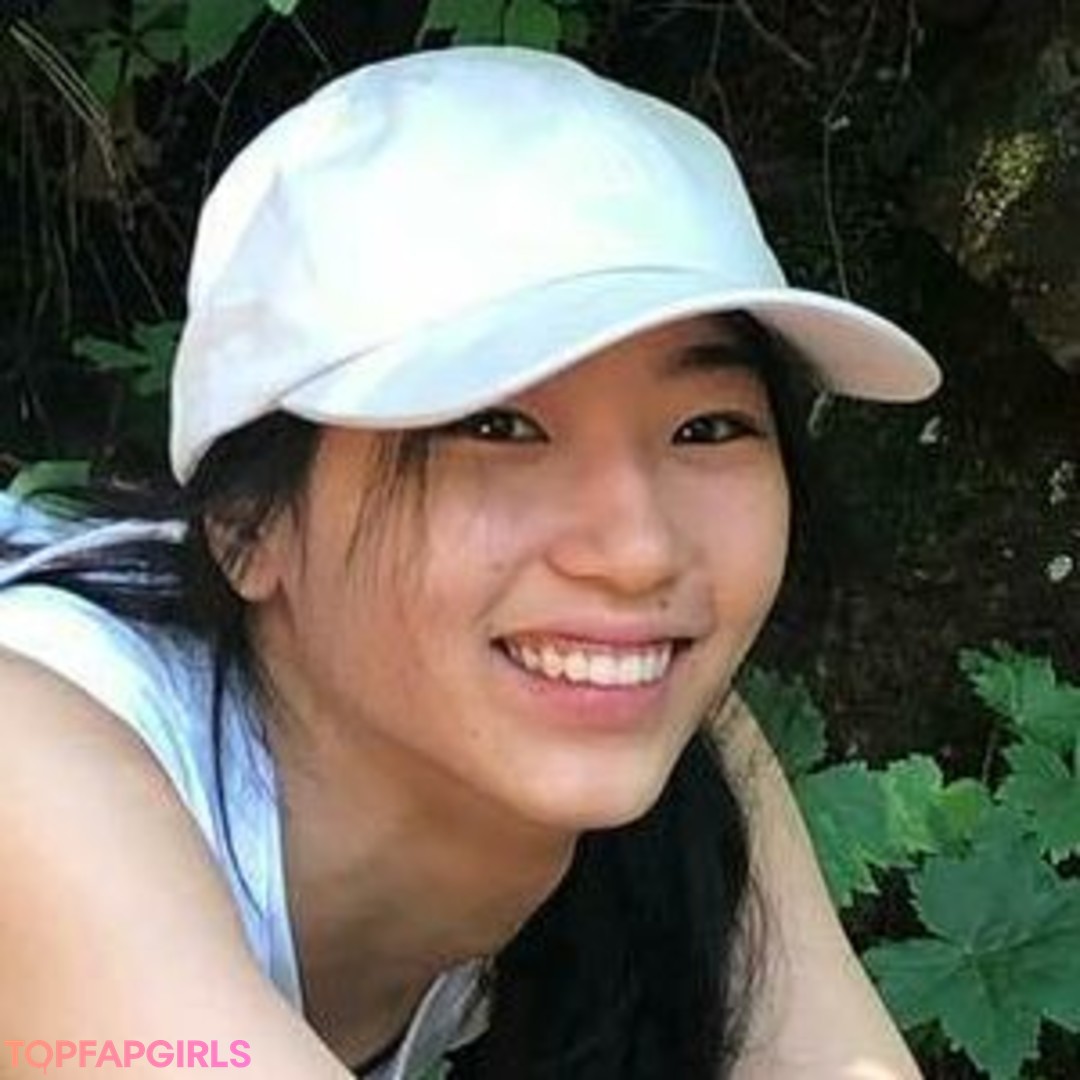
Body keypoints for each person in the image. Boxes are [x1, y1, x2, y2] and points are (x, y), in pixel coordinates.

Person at [0, 47, 939, 1079]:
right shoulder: (32, 769)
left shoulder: (656, 723)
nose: (637, 553)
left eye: (707, 427)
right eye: (497, 426)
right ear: (247, 522)